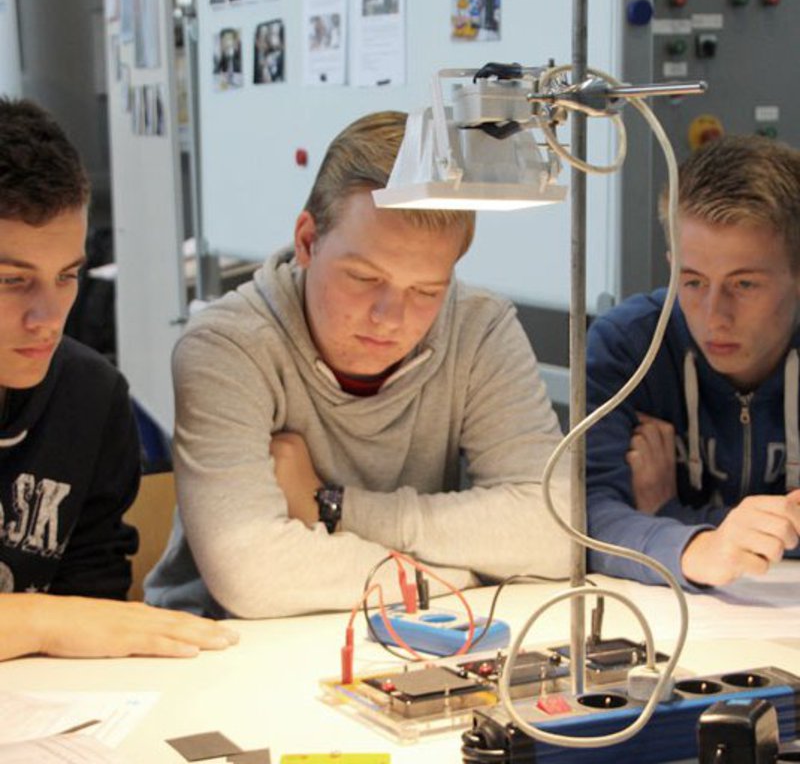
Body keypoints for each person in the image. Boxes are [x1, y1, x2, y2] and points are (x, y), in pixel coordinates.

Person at [145, 110, 570, 619]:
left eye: (426, 291)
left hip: (416, 628)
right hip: (236, 645)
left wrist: (334, 507)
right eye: (365, 279)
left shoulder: (481, 329)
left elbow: (554, 532)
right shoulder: (227, 346)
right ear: (307, 242)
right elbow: (253, 576)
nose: (390, 318)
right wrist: (458, 578)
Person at [0, 97, 237, 660]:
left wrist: (54, 626)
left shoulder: (89, 396)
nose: (49, 317)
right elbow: (68, 623)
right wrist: (38, 621)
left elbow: (92, 612)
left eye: (66, 276)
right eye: (11, 281)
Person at [586, 135, 800, 588]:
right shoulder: (629, 345)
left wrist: (668, 516)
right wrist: (698, 549)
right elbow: (586, 518)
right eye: (693, 282)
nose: (714, 315)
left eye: (744, 285)